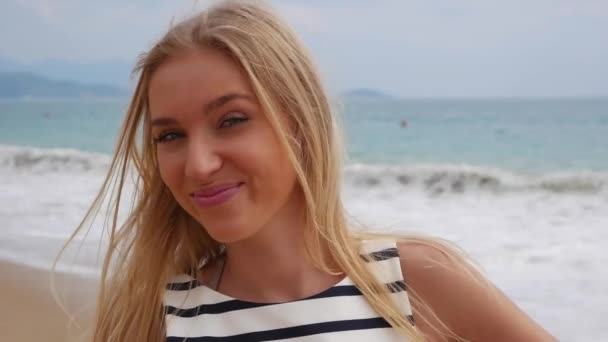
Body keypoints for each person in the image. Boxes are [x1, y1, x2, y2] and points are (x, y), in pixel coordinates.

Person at [59, 1, 556, 341]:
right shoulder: (163, 321)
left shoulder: (410, 281)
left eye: (231, 121)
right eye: (170, 136)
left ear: (299, 124)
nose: (198, 164)